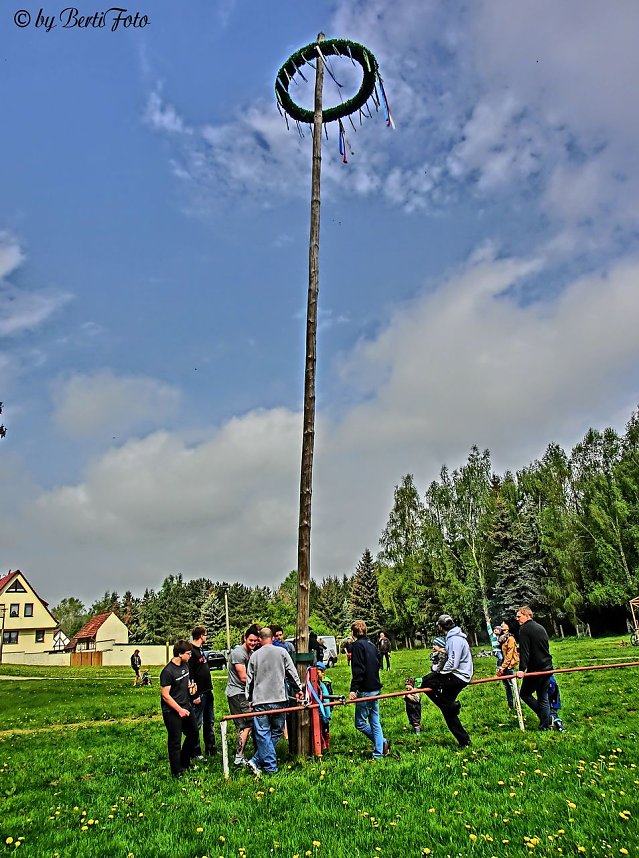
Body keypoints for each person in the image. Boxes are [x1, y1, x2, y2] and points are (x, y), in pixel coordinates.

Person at [245, 627, 303, 777]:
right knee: (277, 730)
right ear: (272, 637)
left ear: (260, 639)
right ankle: (269, 767)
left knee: (263, 733)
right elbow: (291, 672)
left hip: (260, 700)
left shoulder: (255, 656)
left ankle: (258, 761)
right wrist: (298, 690)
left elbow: (250, 681)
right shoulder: (282, 652)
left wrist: (249, 699)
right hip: (279, 698)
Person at [420, 614, 473, 748]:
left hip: (458, 676)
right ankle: (464, 741)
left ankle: (452, 706)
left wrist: (437, 670)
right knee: (446, 708)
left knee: (427, 683)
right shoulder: (454, 637)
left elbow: (453, 663)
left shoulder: (454, 639)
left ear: (440, 626)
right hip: (457, 674)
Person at [348, 619, 390, 760]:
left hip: (366, 689)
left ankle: (382, 743)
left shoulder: (357, 646)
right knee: (374, 721)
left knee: (360, 723)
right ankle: (379, 753)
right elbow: (377, 664)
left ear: (353, 633)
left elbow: (358, 670)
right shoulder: (372, 645)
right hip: (376, 688)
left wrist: (354, 689)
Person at [159, 640, 199, 778]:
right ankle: (177, 771)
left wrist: (191, 689)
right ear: (180, 654)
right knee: (175, 741)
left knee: (193, 734)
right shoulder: (167, 671)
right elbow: (165, 695)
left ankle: (184, 761)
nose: (190, 656)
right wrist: (179, 710)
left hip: (186, 705)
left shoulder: (185, 665)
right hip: (172, 710)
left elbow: (186, 684)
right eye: (188, 653)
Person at [225, 624, 260, 767]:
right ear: (245, 639)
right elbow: (244, 678)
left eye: (255, 641)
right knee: (245, 725)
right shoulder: (238, 653)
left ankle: (241, 755)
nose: (253, 643)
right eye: (250, 640)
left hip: (244, 693)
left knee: (248, 725)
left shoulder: (250, 653)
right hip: (237, 694)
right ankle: (238, 758)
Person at [515, 606, 554, 731]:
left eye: (519, 616)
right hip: (548, 667)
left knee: (525, 694)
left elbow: (524, 651)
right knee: (543, 697)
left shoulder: (524, 629)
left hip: (536, 670)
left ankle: (546, 719)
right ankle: (545, 724)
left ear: (527, 615)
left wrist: (522, 669)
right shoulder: (540, 627)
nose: (517, 619)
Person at [189, 626, 216, 759]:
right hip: (199, 694)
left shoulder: (200, 650)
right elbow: (190, 675)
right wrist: (194, 695)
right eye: (205, 635)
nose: (206, 637)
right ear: (201, 636)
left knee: (209, 721)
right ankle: (195, 752)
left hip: (207, 691)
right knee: (197, 723)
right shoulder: (191, 652)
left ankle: (211, 749)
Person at [496, 622, 519, 709]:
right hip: (503, 665)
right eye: (502, 629)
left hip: (509, 665)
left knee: (513, 685)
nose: (504, 631)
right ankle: (511, 706)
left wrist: (503, 666)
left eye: (505, 629)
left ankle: (518, 704)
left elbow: (509, 655)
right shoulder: (502, 639)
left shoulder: (510, 639)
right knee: (507, 686)